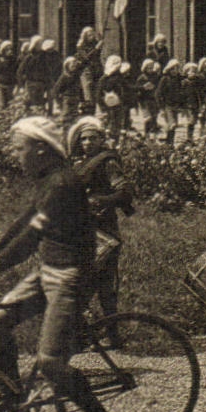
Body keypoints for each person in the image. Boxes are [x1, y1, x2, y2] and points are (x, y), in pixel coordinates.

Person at [0, 117, 133, 412]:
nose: (14, 154)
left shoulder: (63, 183)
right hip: (47, 270)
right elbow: (24, 222)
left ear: (39, 148)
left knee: (50, 363)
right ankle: (12, 401)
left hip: (70, 276)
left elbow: (32, 235)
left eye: (18, 148)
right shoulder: (49, 180)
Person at [67, 115, 134, 321]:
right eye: (84, 139)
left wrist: (100, 201)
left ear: (101, 140)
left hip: (105, 232)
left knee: (105, 283)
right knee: (81, 279)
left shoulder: (107, 162)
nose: (87, 143)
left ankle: (112, 333)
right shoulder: (80, 163)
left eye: (92, 138)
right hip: (85, 229)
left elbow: (124, 191)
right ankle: (83, 330)